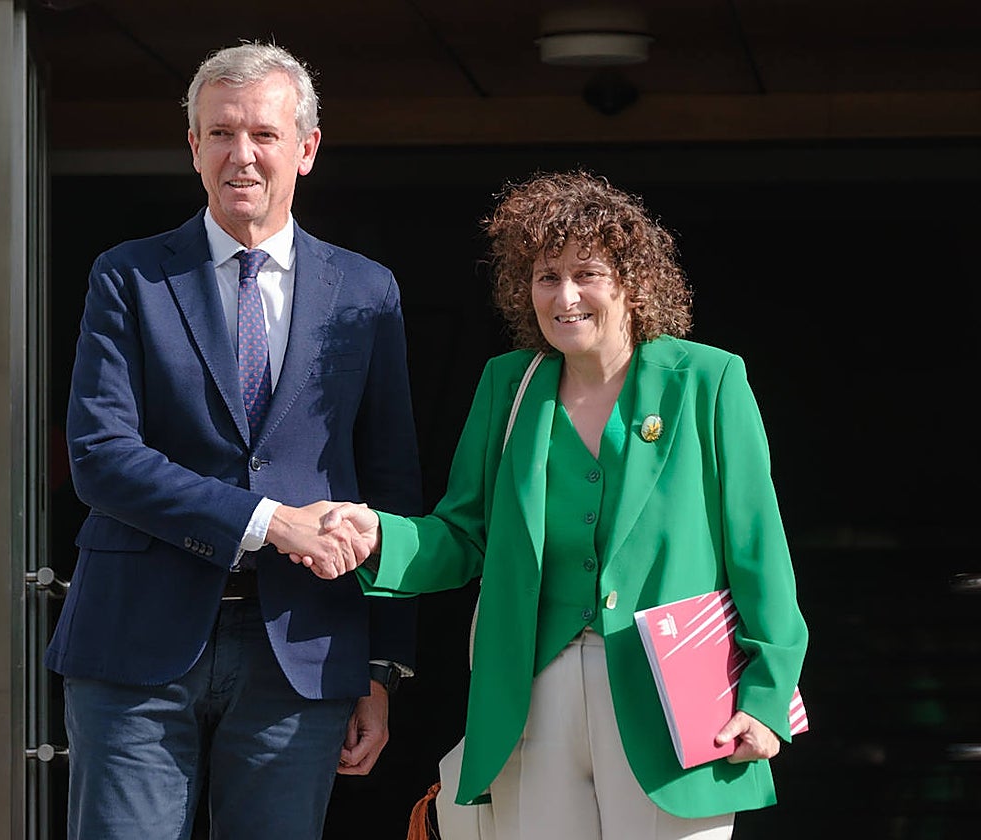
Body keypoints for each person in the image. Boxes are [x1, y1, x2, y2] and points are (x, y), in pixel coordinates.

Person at [304, 170, 808, 839]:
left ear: (632, 282)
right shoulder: (508, 385)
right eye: (546, 276)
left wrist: (767, 696)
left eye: (586, 273)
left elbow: (757, 551)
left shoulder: (707, 381)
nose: (565, 296)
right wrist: (377, 537)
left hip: (674, 705)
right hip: (530, 701)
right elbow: (465, 536)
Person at [44, 41, 422, 840]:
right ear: (192, 146)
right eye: (219, 134)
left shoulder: (366, 292)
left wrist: (382, 667)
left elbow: (390, 483)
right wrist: (268, 521)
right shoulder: (129, 275)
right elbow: (100, 456)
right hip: (135, 643)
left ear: (307, 148)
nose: (240, 155)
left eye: (263, 134)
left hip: (304, 649)